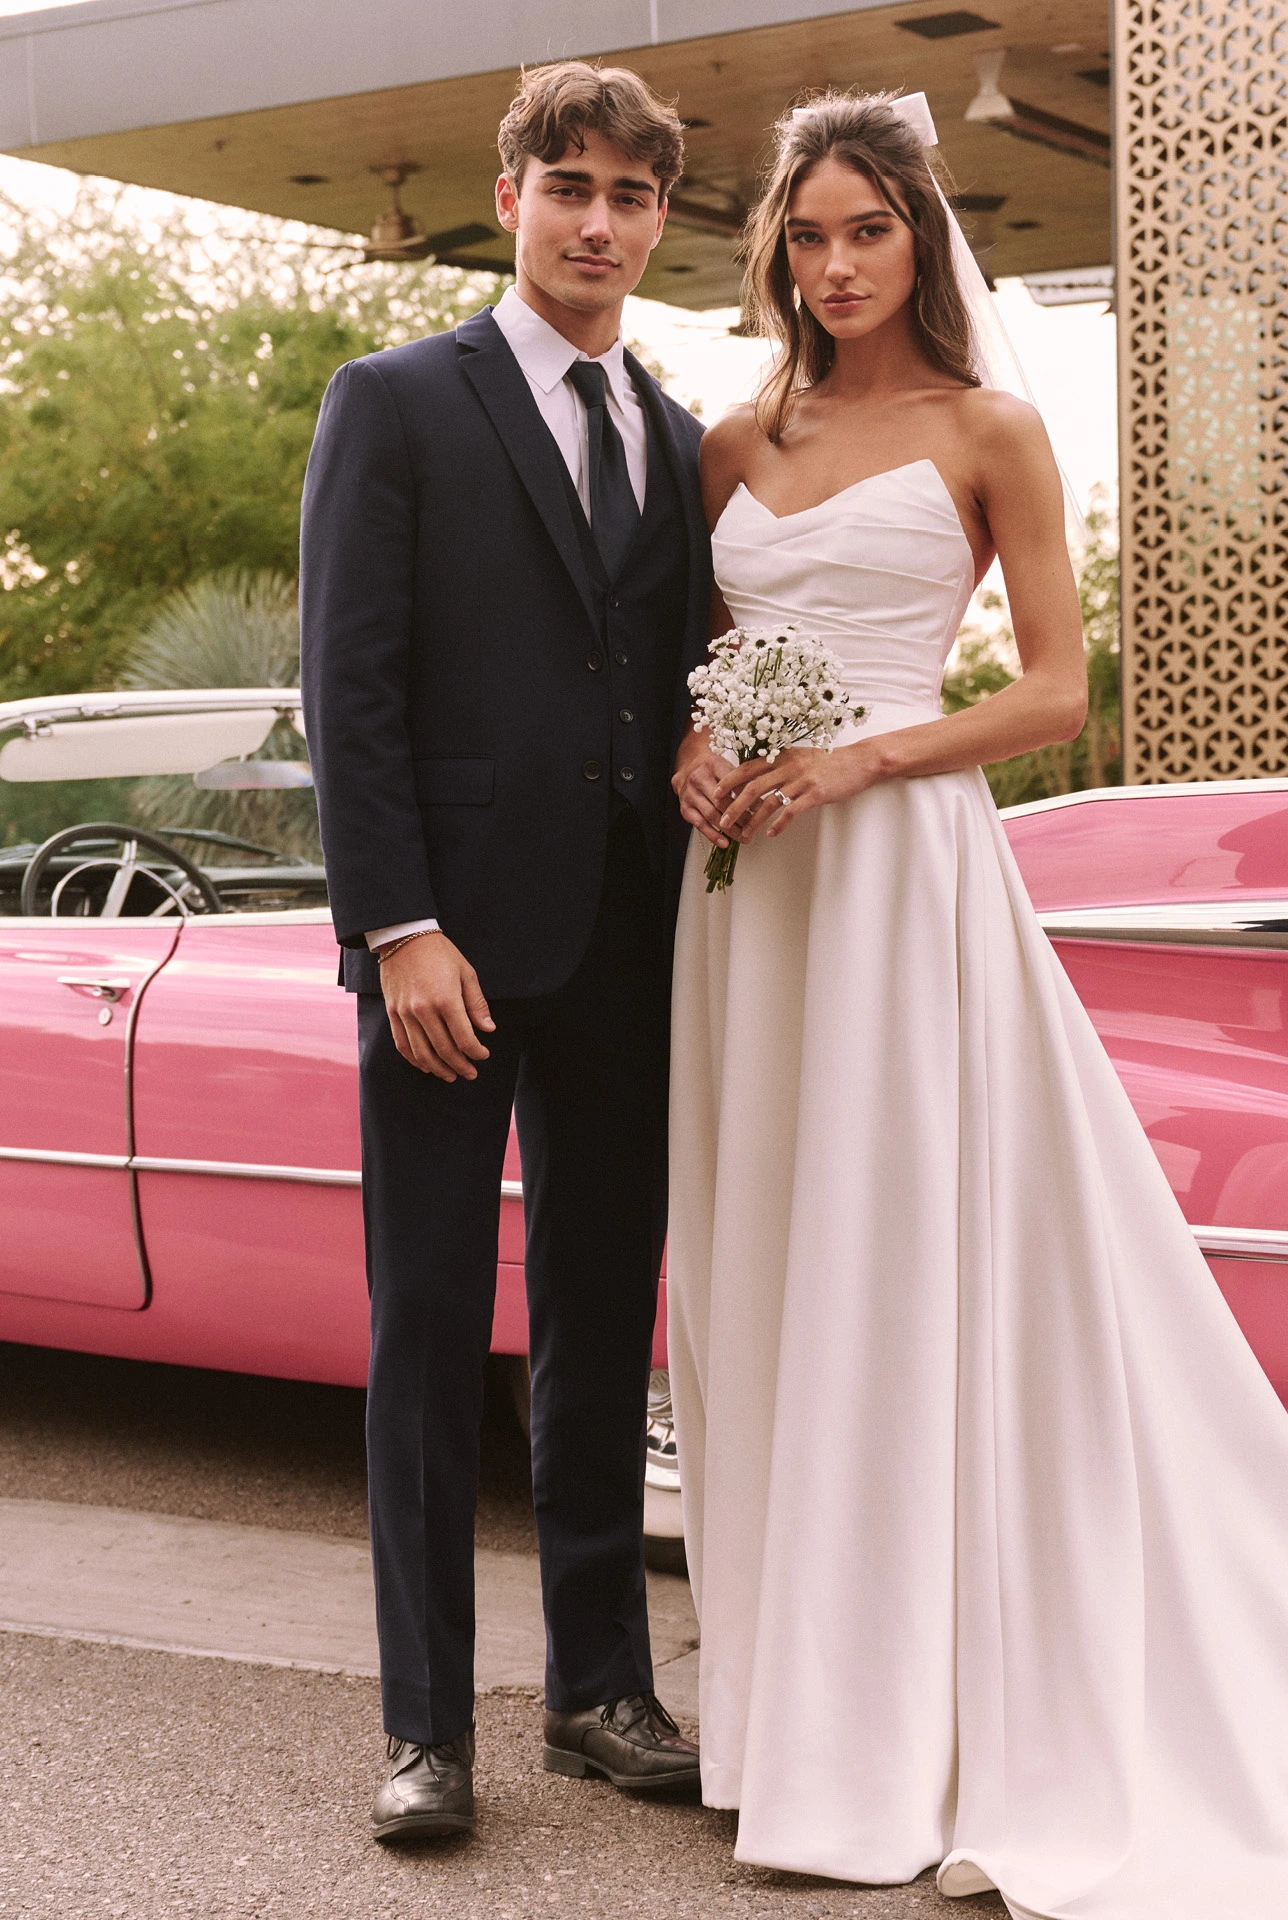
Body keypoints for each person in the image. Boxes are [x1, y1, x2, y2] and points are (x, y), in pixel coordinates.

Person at [666, 90, 1288, 1914]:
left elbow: (1053, 699)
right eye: (809, 234)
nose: (838, 263)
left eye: (869, 229)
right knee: (767, 1254)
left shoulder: (992, 426)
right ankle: (793, 1724)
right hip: (749, 900)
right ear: (778, 249)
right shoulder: (732, 440)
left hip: (899, 875)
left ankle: (927, 1721)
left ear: (925, 238)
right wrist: (709, 742)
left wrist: (864, 764)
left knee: (900, 1250)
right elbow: (697, 659)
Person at [300, 60, 711, 1842]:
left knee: (600, 1329)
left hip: (631, 940)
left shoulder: (683, 433)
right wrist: (398, 928)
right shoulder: (393, 402)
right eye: (571, 187)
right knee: (424, 1331)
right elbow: (351, 690)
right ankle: (425, 1732)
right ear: (513, 193)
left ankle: (600, 1690)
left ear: (658, 221)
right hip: (445, 956)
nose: (598, 222)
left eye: (630, 196)